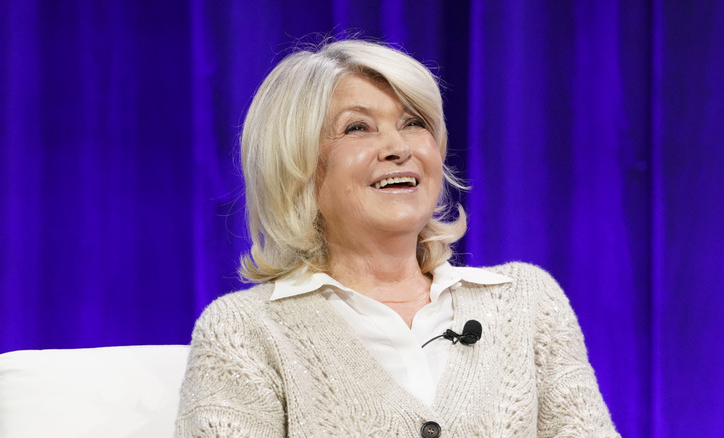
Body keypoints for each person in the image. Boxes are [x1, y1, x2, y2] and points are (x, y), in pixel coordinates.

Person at [175, 39, 619, 437]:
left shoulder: (528, 303)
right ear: (298, 165)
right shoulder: (245, 331)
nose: (397, 147)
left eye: (413, 123)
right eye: (357, 128)